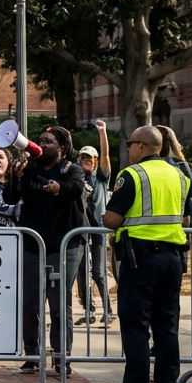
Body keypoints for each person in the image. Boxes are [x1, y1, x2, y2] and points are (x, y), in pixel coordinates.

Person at [101, 126, 190, 383]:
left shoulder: (133, 174)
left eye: (129, 143)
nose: (128, 148)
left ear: (141, 146)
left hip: (141, 259)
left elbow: (112, 219)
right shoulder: (180, 174)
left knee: (136, 327)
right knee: (167, 328)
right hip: (173, 258)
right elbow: (186, 215)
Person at [5, 126, 86, 375]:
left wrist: (58, 188)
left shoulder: (71, 169)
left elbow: (75, 188)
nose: (42, 144)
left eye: (48, 141)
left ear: (61, 147)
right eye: (40, 140)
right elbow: (10, 198)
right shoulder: (29, 168)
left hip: (64, 246)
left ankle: (62, 358)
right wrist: (14, 176)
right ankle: (32, 354)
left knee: (59, 304)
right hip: (32, 245)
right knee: (30, 303)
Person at [73, 121, 112, 327]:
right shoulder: (76, 176)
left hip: (97, 228)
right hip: (80, 230)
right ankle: (89, 311)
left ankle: (108, 310)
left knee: (98, 272)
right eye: (84, 157)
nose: (87, 161)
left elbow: (106, 156)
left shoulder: (101, 178)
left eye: (91, 158)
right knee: (81, 272)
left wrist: (103, 132)